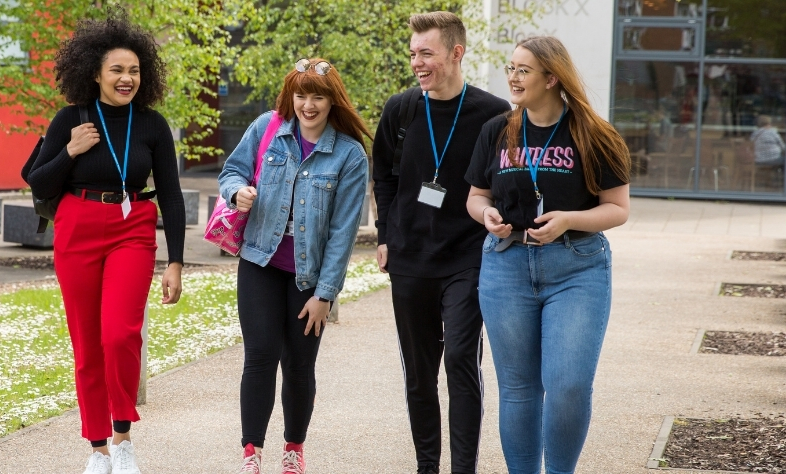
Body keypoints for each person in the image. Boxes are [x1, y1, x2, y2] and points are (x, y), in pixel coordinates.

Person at [23, 12, 184, 474]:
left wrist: (175, 262)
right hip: (77, 226)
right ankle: (97, 450)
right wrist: (69, 150)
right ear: (95, 73)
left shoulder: (152, 125)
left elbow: (171, 195)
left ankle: (123, 437)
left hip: (132, 226)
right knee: (87, 344)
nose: (126, 78)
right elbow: (37, 182)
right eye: (116, 69)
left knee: (119, 334)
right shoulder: (70, 119)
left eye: (133, 70)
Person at [464, 36, 631, 474]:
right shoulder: (497, 130)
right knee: (518, 388)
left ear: (552, 77)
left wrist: (569, 219)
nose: (513, 78)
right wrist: (488, 216)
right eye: (511, 68)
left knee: (568, 387)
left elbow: (618, 209)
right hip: (506, 264)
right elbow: (476, 196)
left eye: (524, 70)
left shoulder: (593, 132)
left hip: (576, 266)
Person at [371, 11, 510, 474]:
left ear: (456, 52)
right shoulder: (401, 109)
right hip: (409, 259)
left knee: (460, 364)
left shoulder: (493, 114)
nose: (417, 63)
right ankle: (427, 466)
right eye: (413, 54)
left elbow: (502, 182)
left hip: (468, 258)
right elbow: (384, 178)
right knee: (418, 372)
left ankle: (462, 469)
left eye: (426, 53)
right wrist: (386, 235)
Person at [219, 57, 370, 474]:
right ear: (291, 97)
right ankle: (252, 452)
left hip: (309, 276)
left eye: (317, 96)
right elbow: (231, 171)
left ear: (332, 100)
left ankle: (293, 448)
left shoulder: (350, 156)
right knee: (260, 355)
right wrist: (237, 193)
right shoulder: (268, 129)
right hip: (259, 263)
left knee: (300, 363)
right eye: (301, 95)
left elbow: (343, 233)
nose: (308, 104)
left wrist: (326, 294)